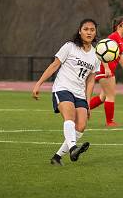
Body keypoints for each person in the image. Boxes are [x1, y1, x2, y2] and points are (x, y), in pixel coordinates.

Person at [32, 18, 101, 166]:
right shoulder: (69, 47)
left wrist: (88, 102)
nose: (89, 32)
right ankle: (73, 148)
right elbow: (54, 65)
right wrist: (38, 84)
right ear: (80, 31)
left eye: (92, 30)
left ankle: (57, 157)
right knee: (69, 116)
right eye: (86, 29)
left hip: (79, 93)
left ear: (95, 33)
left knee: (81, 126)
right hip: (63, 88)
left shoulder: (96, 55)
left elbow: (90, 80)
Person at [89, 16, 123, 126]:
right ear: (119, 26)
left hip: (108, 70)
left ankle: (81, 109)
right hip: (106, 71)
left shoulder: (121, 39)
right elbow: (101, 52)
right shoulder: (113, 37)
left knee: (102, 97)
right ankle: (110, 122)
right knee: (110, 96)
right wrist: (107, 68)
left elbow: (121, 57)